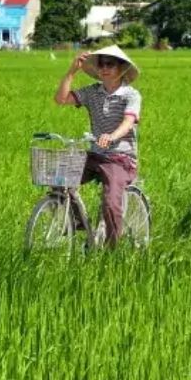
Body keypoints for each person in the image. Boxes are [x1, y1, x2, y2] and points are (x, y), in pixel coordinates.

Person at [53, 45, 141, 246]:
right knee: (59, 178)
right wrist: (71, 71)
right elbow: (61, 99)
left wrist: (112, 136)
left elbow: (128, 123)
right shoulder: (92, 92)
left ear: (122, 68)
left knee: (110, 202)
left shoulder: (131, 95)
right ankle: (79, 222)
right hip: (96, 154)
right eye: (101, 64)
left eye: (110, 64)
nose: (104, 68)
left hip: (121, 158)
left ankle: (112, 249)